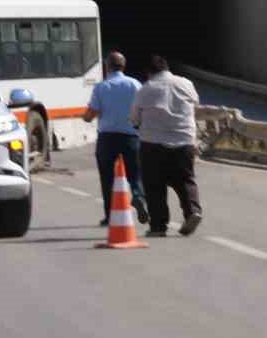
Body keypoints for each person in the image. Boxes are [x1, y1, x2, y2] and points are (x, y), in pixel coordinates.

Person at [129, 55, 202, 237]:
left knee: (155, 185)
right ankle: (192, 211)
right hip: (184, 140)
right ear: (167, 68)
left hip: (153, 144)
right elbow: (196, 103)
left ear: (148, 72)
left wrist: (140, 123)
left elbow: (134, 118)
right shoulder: (186, 83)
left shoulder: (146, 89)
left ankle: (158, 226)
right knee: (186, 179)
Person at [83, 51, 150, 228]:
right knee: (135, 174)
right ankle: (137, 195)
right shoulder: (135, 84)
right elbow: (143, 108)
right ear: (123, 66)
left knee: (107, 179)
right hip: (131, 136)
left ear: (107, 67)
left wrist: (87, 116)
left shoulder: (102, 87)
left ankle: (110, 216)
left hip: (107, 138)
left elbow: (90, 115)